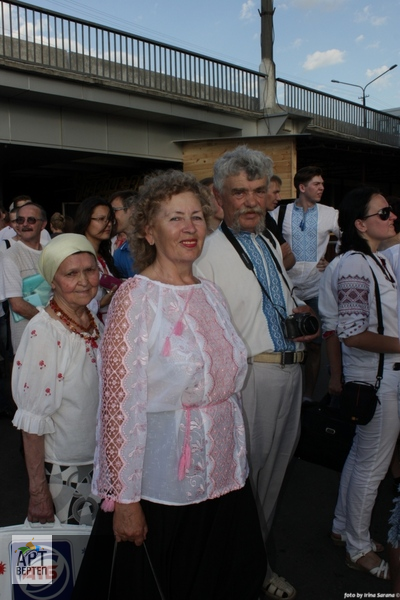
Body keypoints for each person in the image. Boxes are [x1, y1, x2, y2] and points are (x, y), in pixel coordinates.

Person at [72, 170, 266, 600]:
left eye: (197, 217)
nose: (190, 227)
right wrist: (125, 499)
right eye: (175, 217)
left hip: (224, 475)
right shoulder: (135, 298)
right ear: (148, 230)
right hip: (161, 487)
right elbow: (120, 404)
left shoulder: (210, 292)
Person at [194, 145, 319, 600]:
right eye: (238, 192)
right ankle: (238, 572)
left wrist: (295, 309)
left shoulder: (267, 240)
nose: (249, 201)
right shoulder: (205, 252)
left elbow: (264, 303)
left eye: (257, 191)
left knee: (271, 481)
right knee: (241, 486)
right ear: (217, 196)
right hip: (250, 380)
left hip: (291, 373)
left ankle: (254, 565)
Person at [320, 187, 400, 579]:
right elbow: (351, 332)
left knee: (361, 460)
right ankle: (358, 546)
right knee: (372, 468)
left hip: (378, 377)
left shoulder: (372, 260)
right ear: (360, 223)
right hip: (378, 381)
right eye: (384, 212)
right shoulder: (356, 264)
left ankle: (343, 527)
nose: (392, 217)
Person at [11, 233, 102, 525]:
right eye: (71, 273)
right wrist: (38, 493)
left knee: (96, 559)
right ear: (53, 280)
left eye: (90, 270)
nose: (84, 281)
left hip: (100, 461)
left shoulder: (92, 320)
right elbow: (31, 422)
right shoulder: (44, 333)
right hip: (65, 470)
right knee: (68, 559)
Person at [272, 166, 340, 401]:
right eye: (316, 184)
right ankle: (287, 393)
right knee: (283, 339)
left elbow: (347, 238)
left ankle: (308, 397)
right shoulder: (280, 213)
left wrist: (333, 261)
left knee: (314, 343)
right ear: (302, 187)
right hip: (285, 288)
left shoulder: (330, 213)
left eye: (322, 184)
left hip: (315, 288)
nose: (322, 188)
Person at [2, 203, 48, 353]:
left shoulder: (50, 252)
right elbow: (17, 304)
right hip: (27, 340)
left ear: (43, 224)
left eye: (31, 220)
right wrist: (52, 320)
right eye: (20, 220)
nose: (25, 224)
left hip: (55, 336)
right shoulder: (10, 256)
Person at [74, 197, 121, 322]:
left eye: (110, 219)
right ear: (85, 221)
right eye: (101, 219)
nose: (108, 224)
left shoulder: (104, 255)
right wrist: (100, 303)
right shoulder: (75, 257)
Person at [264, 174, 296, 270]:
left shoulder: (269, 220)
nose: (279, 198)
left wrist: (276, 271)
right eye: (275, 192)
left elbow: (291, 257)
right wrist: (277, 254)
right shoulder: (245, 224)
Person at [109, 190, 137, 278]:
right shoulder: (120, 253)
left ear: (133, 209)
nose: (110, 217)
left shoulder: (158, 242)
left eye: (114, 210)